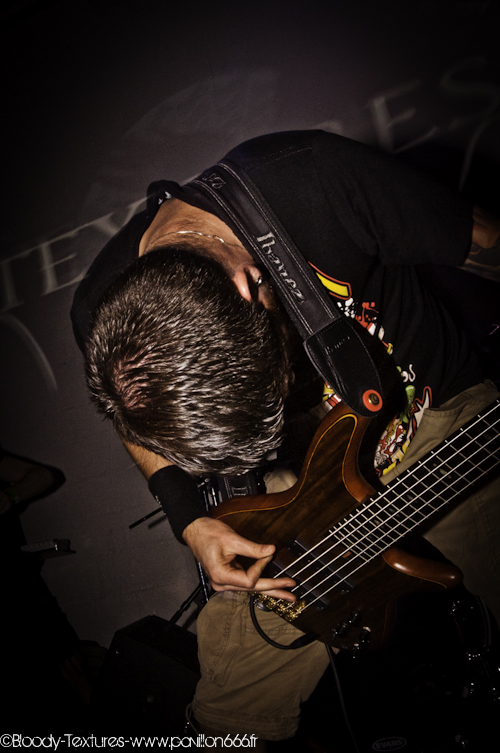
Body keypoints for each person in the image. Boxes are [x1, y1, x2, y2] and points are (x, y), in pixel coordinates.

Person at [71, 130, 500, 745]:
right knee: (236, 690)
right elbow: (130, 415)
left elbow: (486, 243)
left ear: (248, 283)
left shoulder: (317, 180)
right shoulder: (99, 306)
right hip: (306, 478)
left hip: (440, 417)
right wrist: (190, 520)